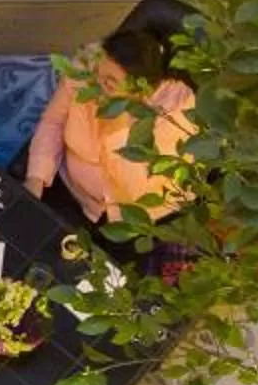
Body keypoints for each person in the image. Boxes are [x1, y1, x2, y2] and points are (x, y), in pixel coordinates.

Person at [25, 14, 199, 231]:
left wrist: (121, 124)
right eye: (99, 73)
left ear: (140, 91)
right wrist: (36, 177)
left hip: (135, 217)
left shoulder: (175, 114)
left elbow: (133, 192)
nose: (96, 85)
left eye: (110, 82)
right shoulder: (89, 67)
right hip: (73, 188)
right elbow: (54, 122)